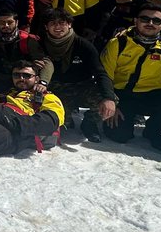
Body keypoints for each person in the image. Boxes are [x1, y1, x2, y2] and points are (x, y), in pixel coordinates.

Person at [97, 4, 161, 148]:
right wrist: (111, 100)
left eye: (156, 21)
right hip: (121, 96)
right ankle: (124, 120)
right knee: (119, 135)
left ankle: (153, 131)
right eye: (145, 19)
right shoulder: (118, 43)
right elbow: (104, 75)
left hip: (150, 96)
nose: (150, 23)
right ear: (135, 21)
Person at [35, 8, 115, 140]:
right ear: (46, 27)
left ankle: (90, 123)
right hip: (56, 89)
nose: (58, 27)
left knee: (110, 97)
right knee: (60, 120)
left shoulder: (83, 45)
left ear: (69, 24)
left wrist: (108, 98)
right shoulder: (39, 44)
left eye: (62, 23)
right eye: (53, 23)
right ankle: (65, 116)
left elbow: (100, 73)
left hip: (82, 86)